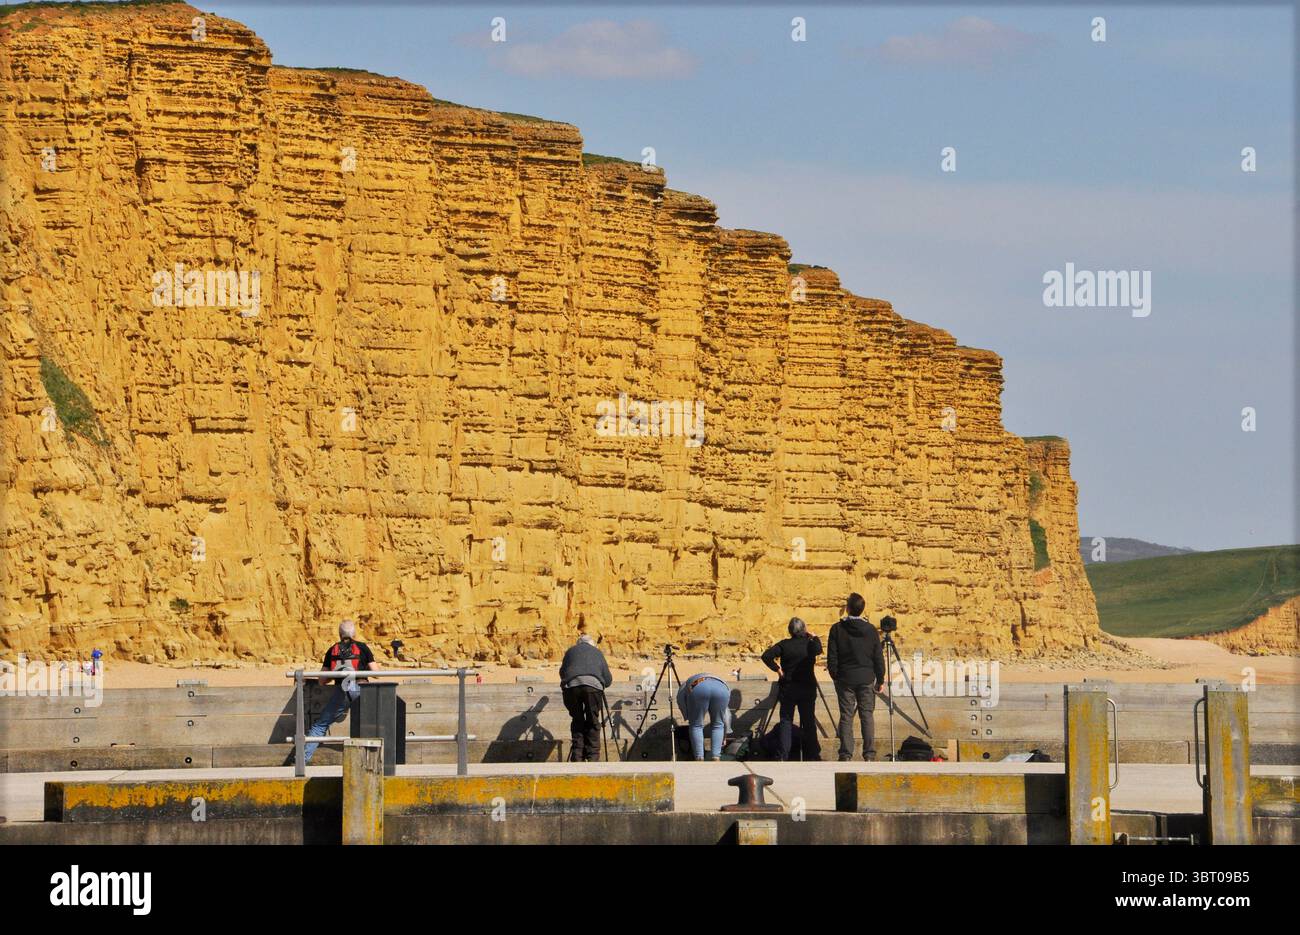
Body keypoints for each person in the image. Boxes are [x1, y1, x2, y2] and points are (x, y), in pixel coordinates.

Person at [304, 619, 379, 763]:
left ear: (339, 634)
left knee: (320, 725)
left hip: (343, 691)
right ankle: (371, 762)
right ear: (354, 634)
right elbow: (376, 673)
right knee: (370, 724)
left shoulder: (332, 650)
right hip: (361, 689)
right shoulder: (363, 647)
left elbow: (322, 680)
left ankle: (301, 761)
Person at [827, 593, 886, 761]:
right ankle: (869, 754)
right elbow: (878, 657)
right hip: (866, 678)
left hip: (845, 678)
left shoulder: (837, 629)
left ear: (847, 608)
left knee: (846, 716)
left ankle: (846, 754)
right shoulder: (871, 630)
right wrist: (880, 679)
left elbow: (832, 657)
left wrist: (835, 676)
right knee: (867, 715)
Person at [761, 617, 823, 761]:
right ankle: (813, 754)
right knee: (808, 722)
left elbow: (766, 656)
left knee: (786, 721)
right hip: (807, 688)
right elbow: (819, 649)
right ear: (804, 630)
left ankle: (783, 755)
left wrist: (777, 669)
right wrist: (814, 637)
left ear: (790, 631)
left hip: (788, 688)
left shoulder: (784, 644)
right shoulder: (809, 644)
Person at [558, 630, 613, 762]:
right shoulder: (597, 652)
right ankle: (593, 757)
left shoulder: (570, 651)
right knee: (593, 721)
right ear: (591, 644)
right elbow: (608, 679)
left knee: (577, 720)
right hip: (593, 687)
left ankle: (577, 757)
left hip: (571, 687)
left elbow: (562, 672)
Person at [676, 672, 730, 761]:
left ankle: (699, 757)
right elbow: (726, 716)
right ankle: (716, 756)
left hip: (697, 684)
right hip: (722, 688)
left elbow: (680, 700)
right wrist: (725, 735)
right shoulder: (722, 684)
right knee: (718, 725)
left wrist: (687, 716)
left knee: (696, 725)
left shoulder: (685, 686)